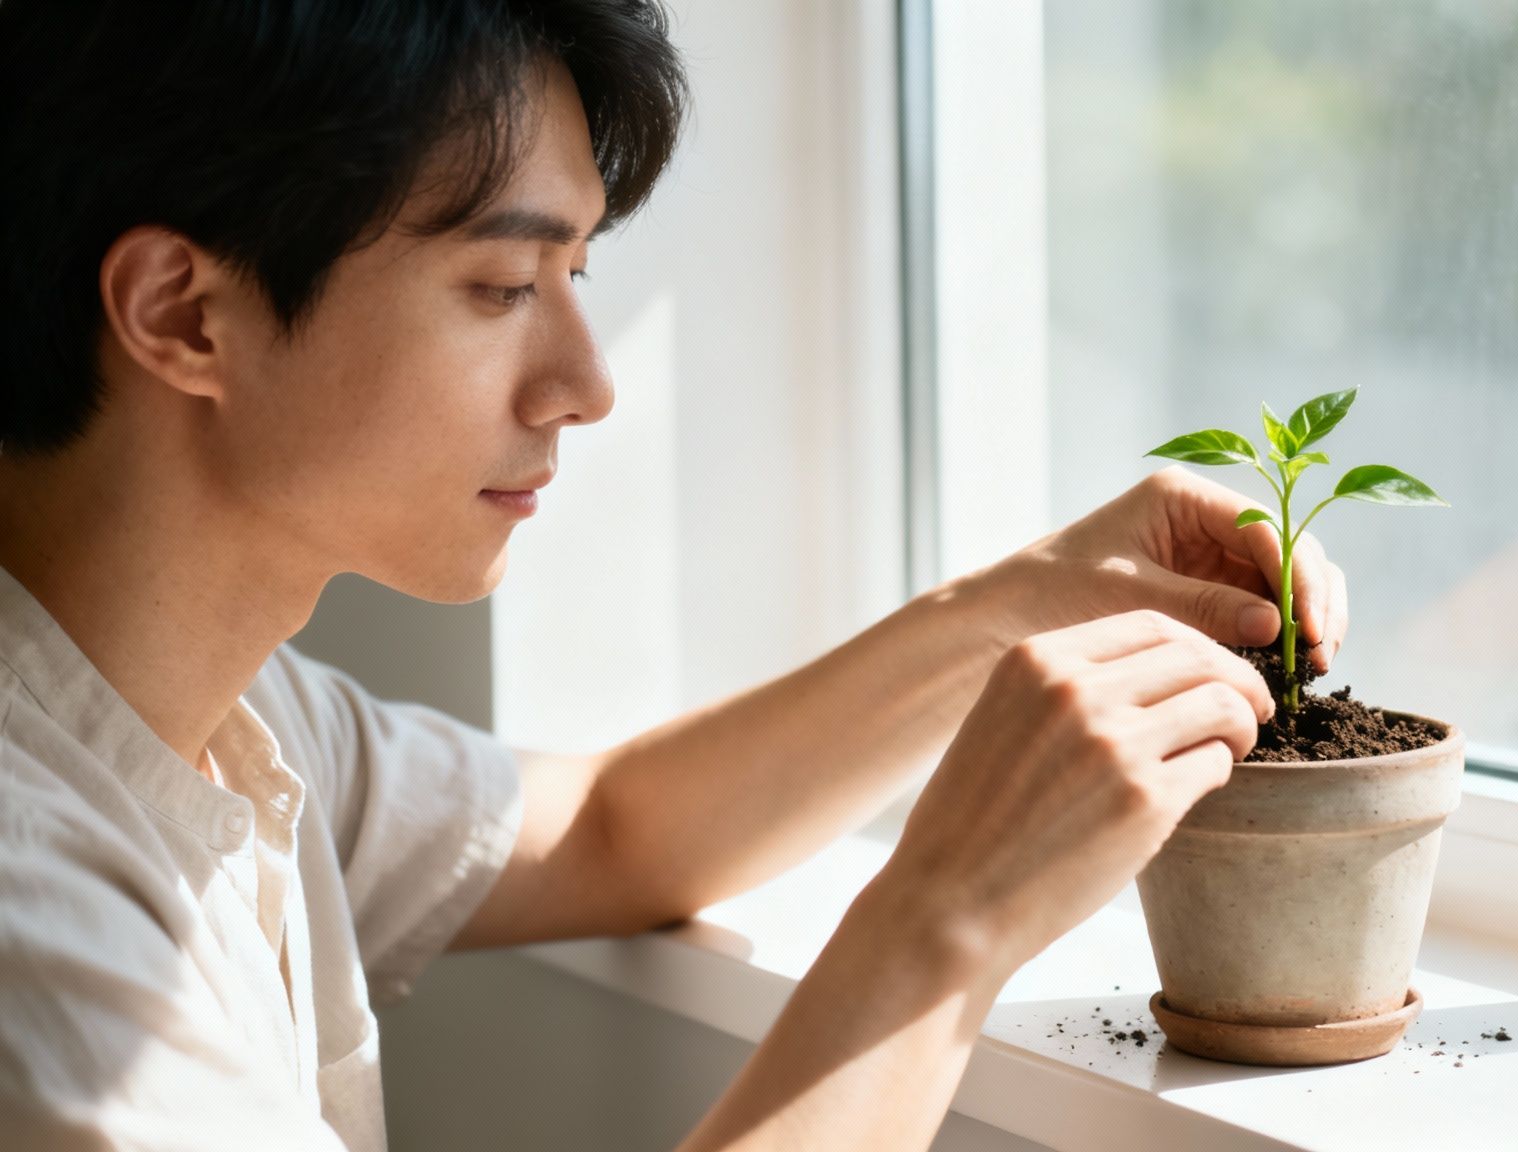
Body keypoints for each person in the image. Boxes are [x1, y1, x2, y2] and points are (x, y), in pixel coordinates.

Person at [0, 2, 1352, 1149]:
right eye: (502, 286)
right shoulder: (41, 936)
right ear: (184, 312)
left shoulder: (236, 722)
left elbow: (610, 832)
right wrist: (949, 924)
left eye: (580, 272)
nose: (588, 385)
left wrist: (1014, 600)